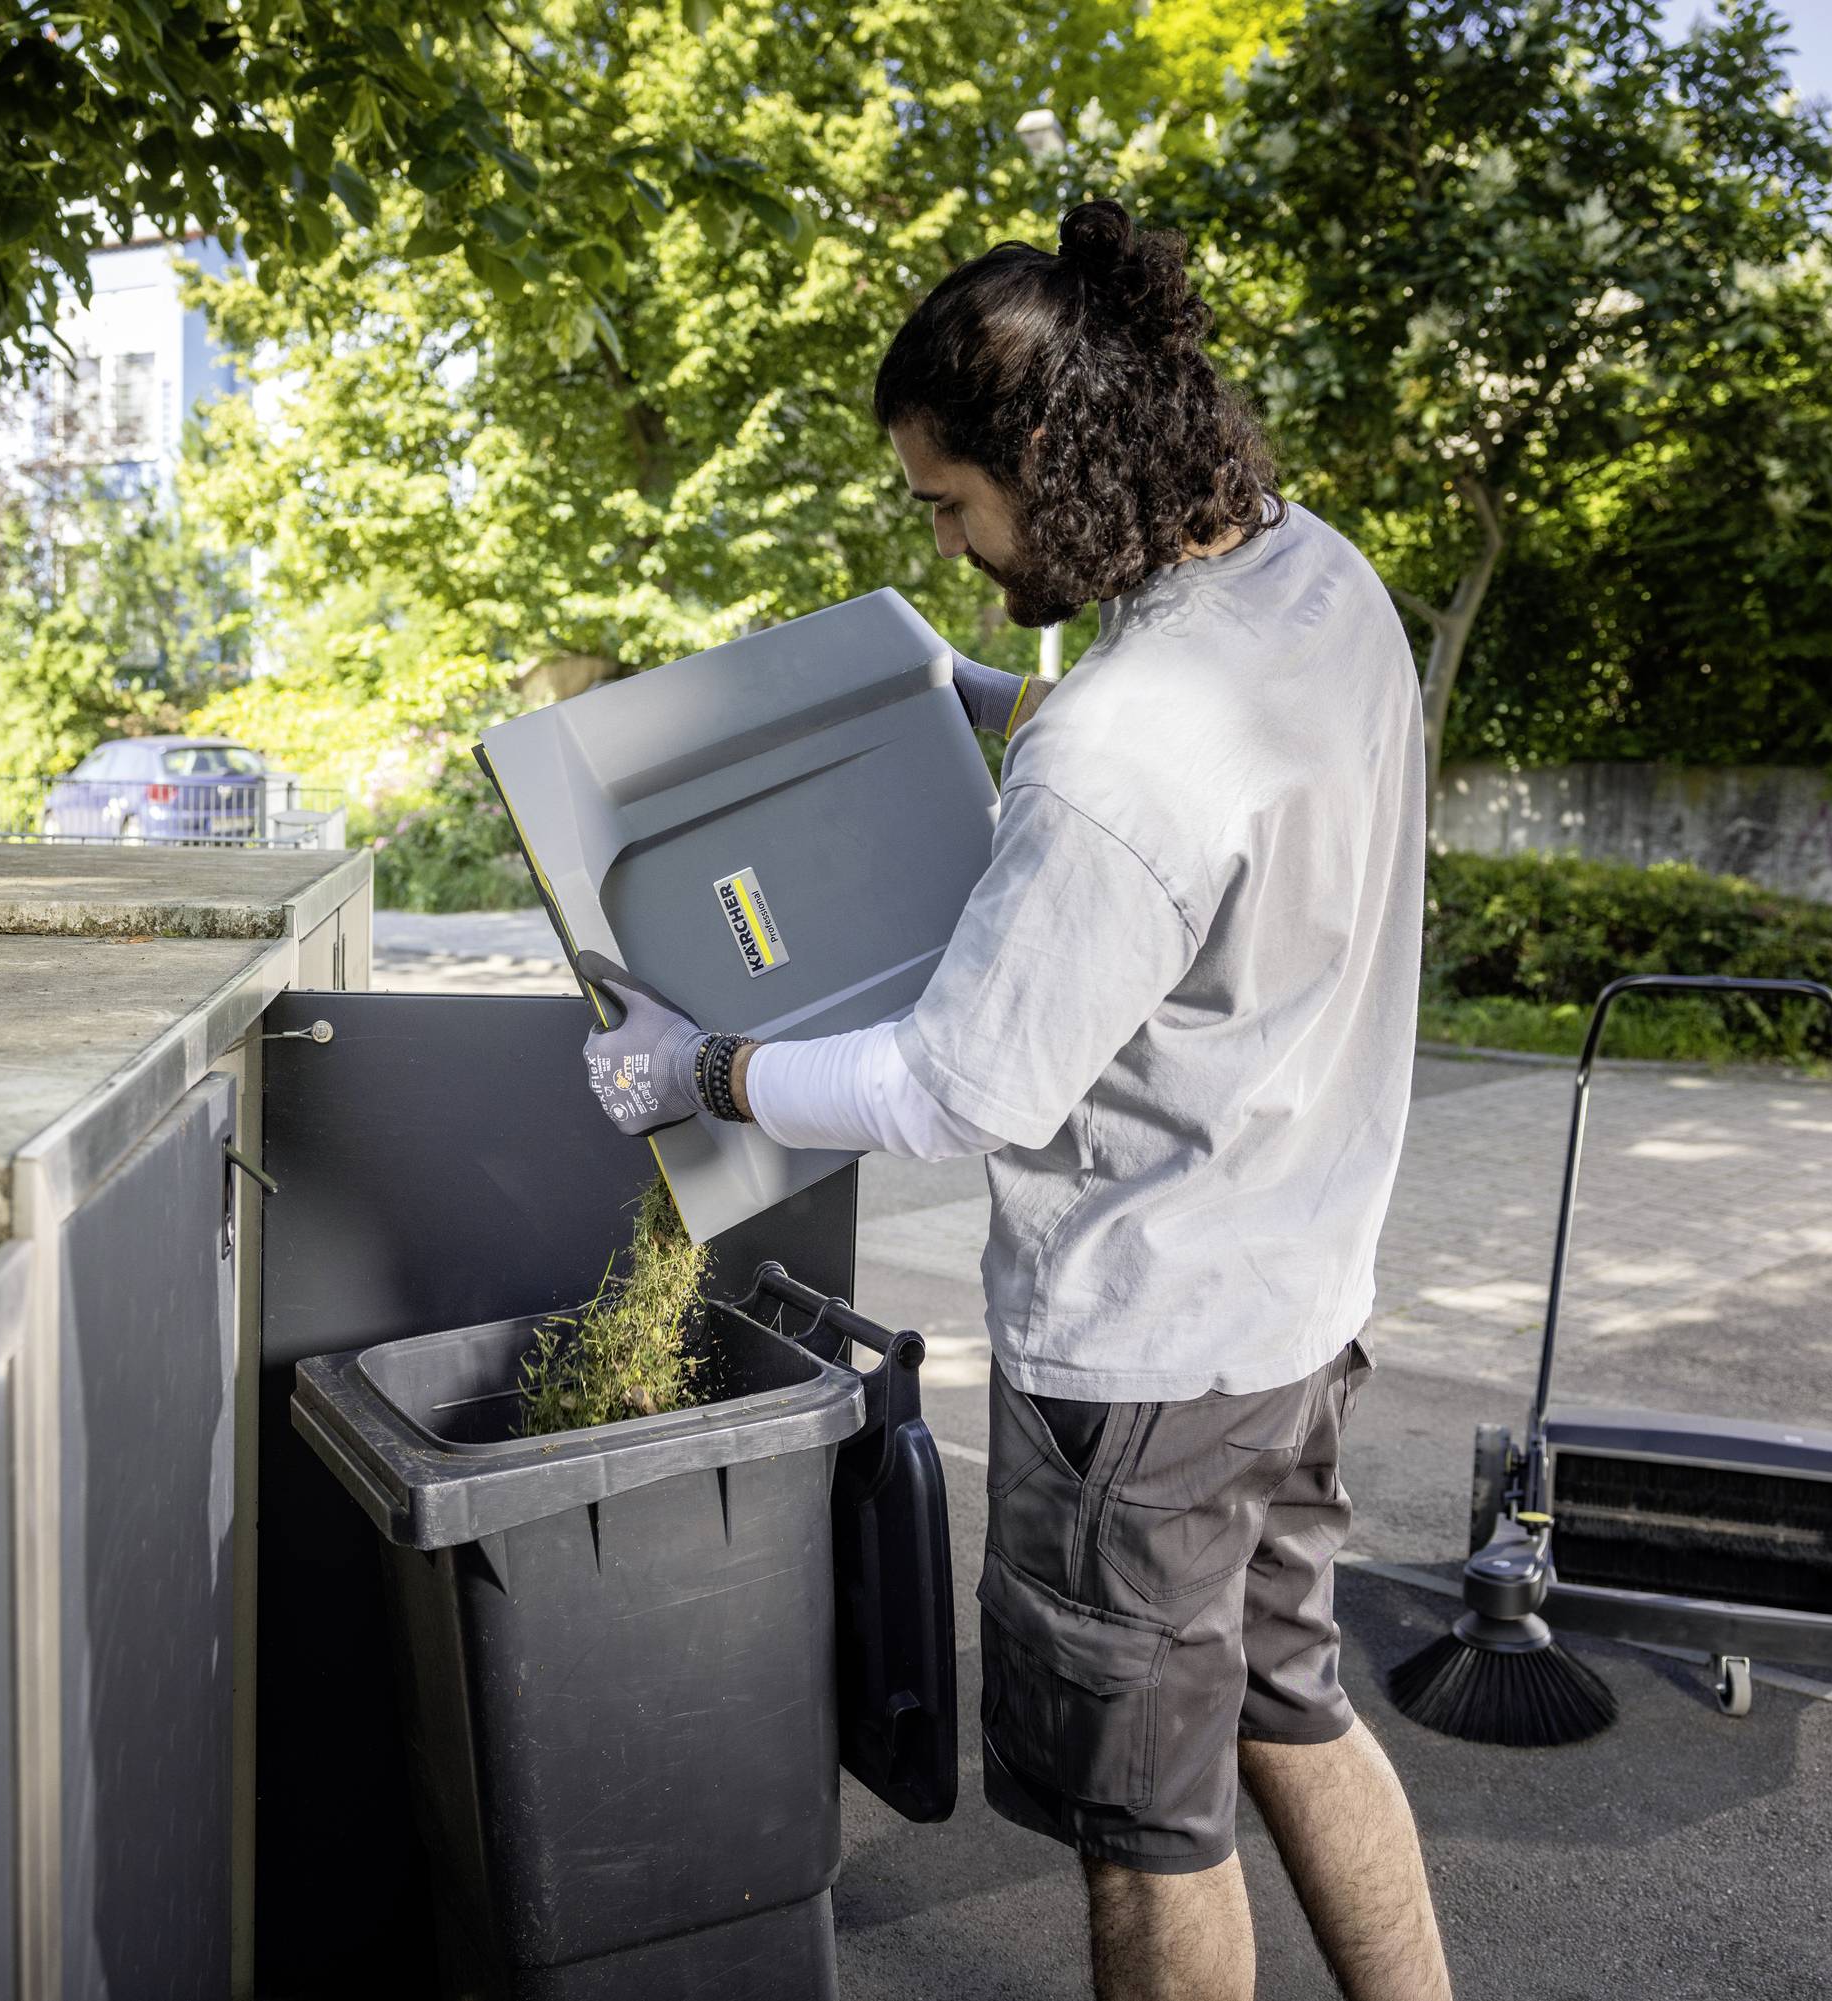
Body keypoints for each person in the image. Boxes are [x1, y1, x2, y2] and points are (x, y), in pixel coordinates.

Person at [572, 199, 1452, 2001]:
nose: (958, 546)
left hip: (1141, 1374)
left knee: (1148, 1831)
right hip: (1297, 1311)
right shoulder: (1314, 578)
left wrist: (705, 1065)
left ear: (1050, 458)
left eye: (954, 504)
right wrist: (1003, 698)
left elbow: (956, 1079)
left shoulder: (1119, 754)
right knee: (1293, 1698)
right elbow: (1199, 778)